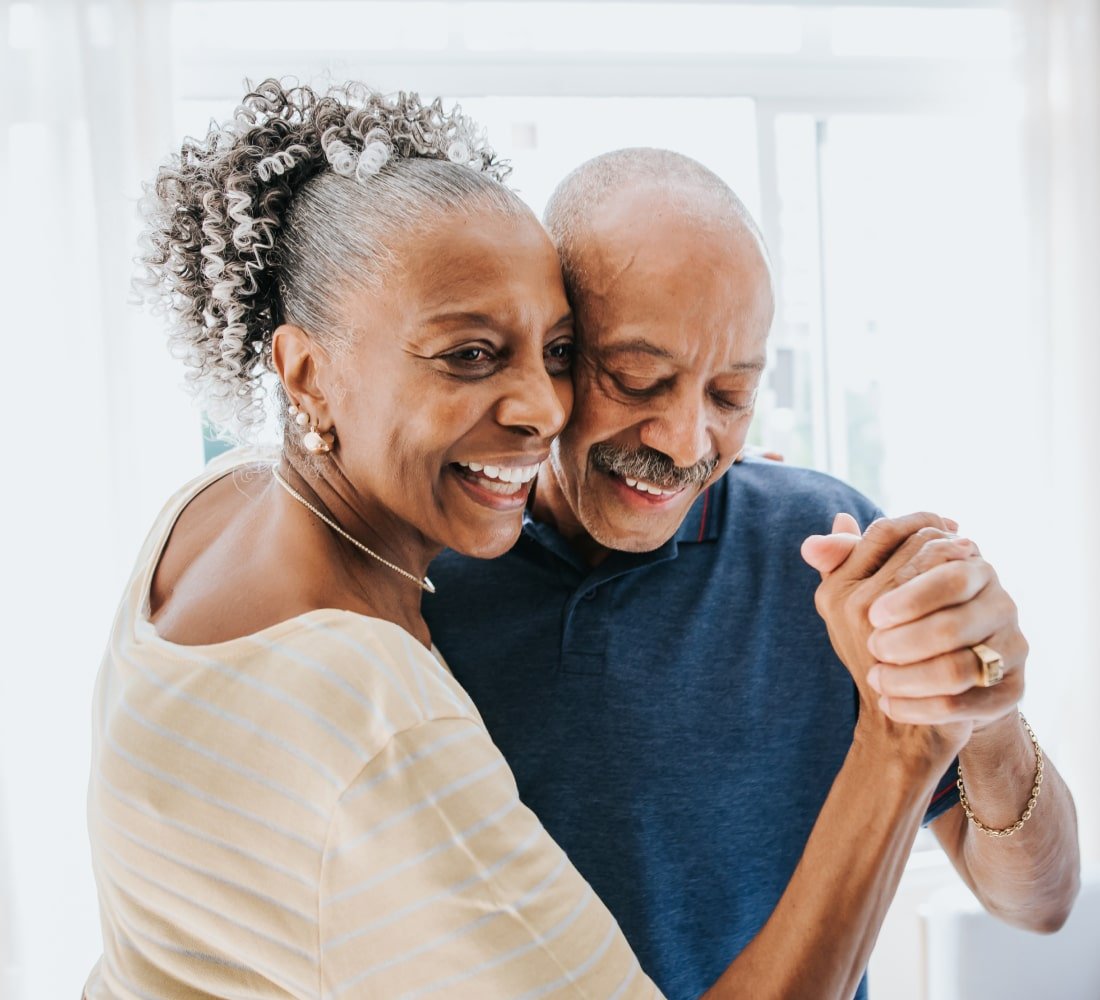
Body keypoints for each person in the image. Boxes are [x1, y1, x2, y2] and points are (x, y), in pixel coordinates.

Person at [83, 81, 973, 1000]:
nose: (546, 408)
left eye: (555, 352)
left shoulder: (203, 513)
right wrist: (900, 747)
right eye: (468, 354)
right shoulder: (382, 717)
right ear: (306, 371)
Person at [424, 148, 1081, 1000]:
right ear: (551, 349)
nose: (687, 442)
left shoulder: (827, 544)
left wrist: (985, 711)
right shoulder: (420, 574)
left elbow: (1040, 905)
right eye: (637, 380)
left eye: (731, 395)